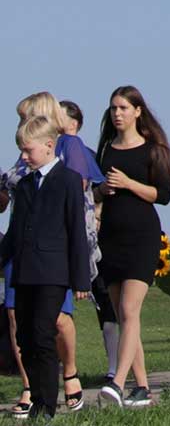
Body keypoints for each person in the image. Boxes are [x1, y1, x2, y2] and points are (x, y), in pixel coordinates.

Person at [1, 94, 101, 417]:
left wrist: (81, 278)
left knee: (44, 334)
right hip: (25, 272)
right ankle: (38, 401)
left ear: (48, 145)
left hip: (54, 273)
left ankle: (45, 404)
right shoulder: (27, 185)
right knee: (27, 338)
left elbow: (76, 231)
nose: (24, 157)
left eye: (28, 151)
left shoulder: (67, 181)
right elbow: (16, 231)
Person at [95, 85, 170, 409]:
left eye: (123, 108)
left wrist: (129, 184)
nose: (117, 113)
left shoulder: (152, 150)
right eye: (114, 108)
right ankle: (141, 388)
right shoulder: (106, 149)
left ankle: (116, 383)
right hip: (111, 237)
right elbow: (97, 192)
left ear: (137, 112)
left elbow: (164, 194)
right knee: (123, 315)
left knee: (130, 311)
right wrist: (102, 189)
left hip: (142, 237)